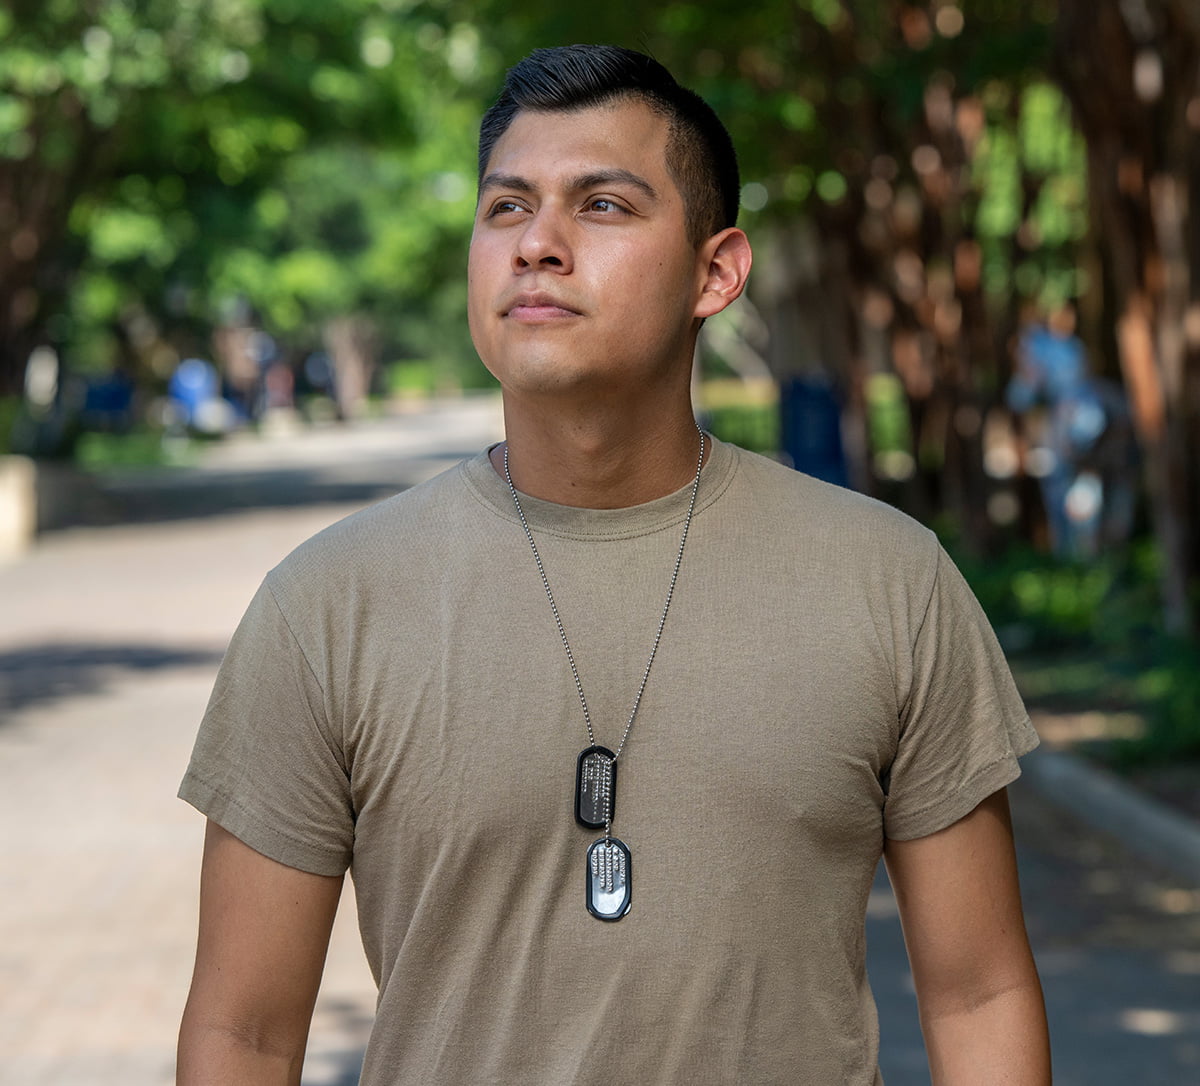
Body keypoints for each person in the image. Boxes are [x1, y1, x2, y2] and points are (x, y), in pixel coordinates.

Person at [177, 45, 1051, 1085]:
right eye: (506, 207)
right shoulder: (325, 607)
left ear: (715, 271)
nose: (537, 245)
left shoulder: (890, 583)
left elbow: (978, 992)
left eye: (601, 206)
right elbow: (245, 1033)